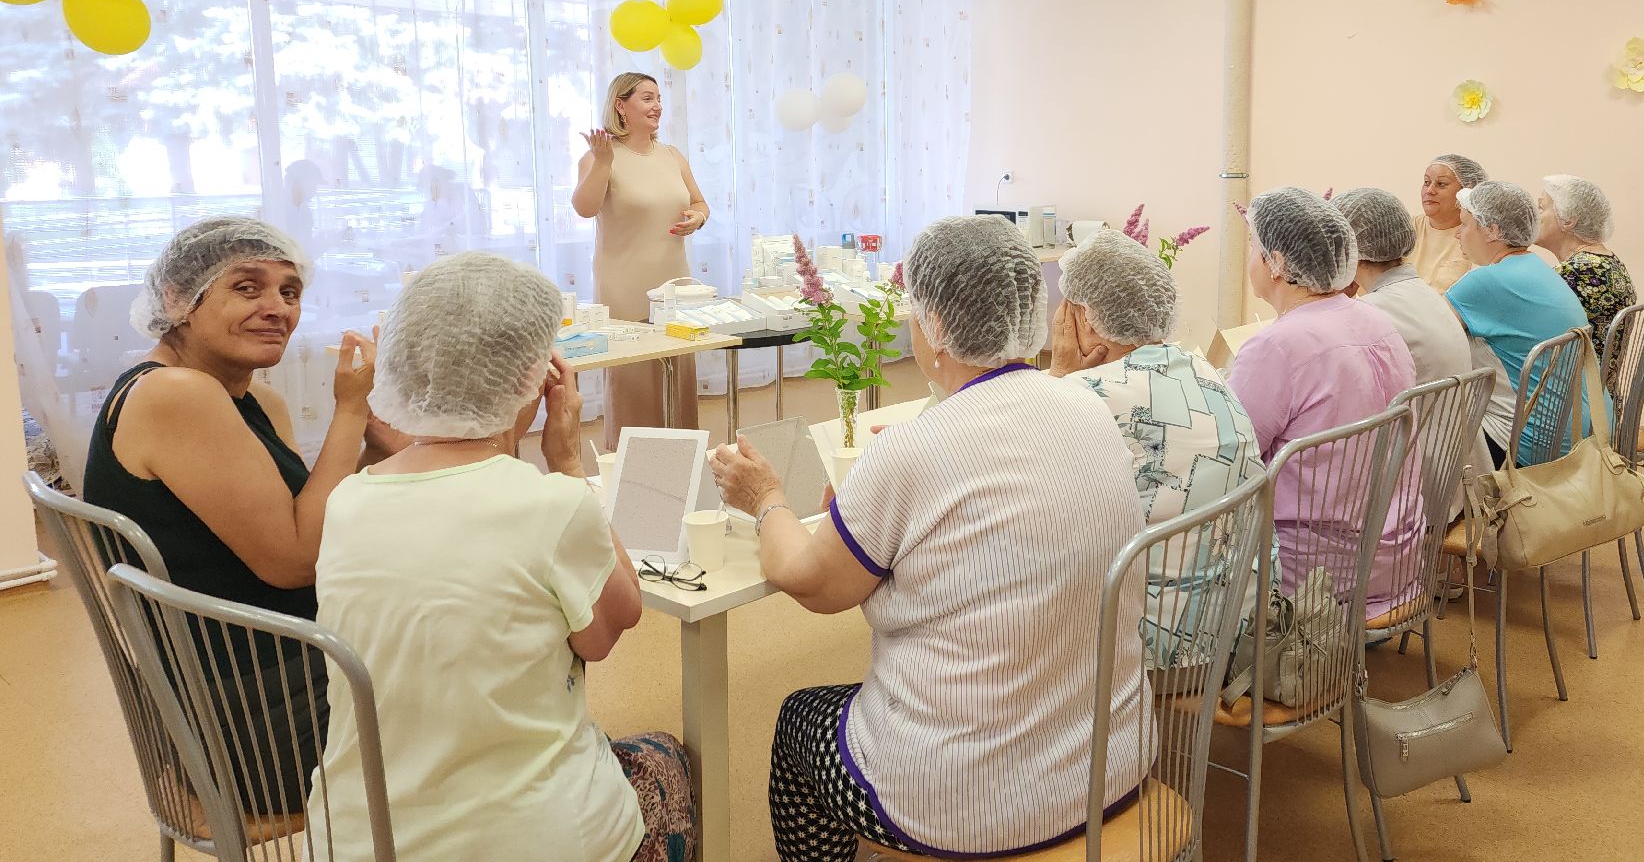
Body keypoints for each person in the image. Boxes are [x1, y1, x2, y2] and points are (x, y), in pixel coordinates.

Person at [710, 216, 1151, 862]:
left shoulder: (918, 452)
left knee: (797, 726)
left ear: (937, 328)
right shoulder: (1087, 406)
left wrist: (764, 498)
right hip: (1109, 766)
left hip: (967, 802)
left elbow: (807, 577)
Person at [306, 252, 694, 862]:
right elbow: (610, 628)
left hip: (355, 839)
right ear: (531, 379)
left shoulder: (347, 501)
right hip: (531, 839)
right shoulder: (551, 504)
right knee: (665, 762)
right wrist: (567, 462)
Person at [85, 216, 384, 813]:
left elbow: (311, 516)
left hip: (269, 666)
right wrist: (350, 410)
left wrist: (372, 439)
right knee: (477, 674)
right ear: (176, 299)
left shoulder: (251, 398)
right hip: (255, 717)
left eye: (290, 291)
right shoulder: (176, 394)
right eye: (247, 288)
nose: (277, 308)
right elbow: (296, 561)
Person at [1049, 229, 1262, 669]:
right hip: (1241, 625)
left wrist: (1060, 374)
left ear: (1084, 320)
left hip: (1155, 646)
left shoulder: (1084, 394)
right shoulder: (1204, 369)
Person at [1229, 189, 1418, 618]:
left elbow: (1232, 458)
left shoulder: (1277, 346)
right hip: (1396, 555)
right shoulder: (1375, 319)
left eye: (1254, 249)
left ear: (1277, 262)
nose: (1250, 262)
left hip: (1316, 576)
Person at [1333, 188, 1492, 514]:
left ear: (1348, 248)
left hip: (1413, 485)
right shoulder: (1421, 293)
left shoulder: (1373, 312)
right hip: (1452, 471)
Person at [572, 72, 711, 446]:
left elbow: (699, 202)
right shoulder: (599, 157)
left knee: (677, 378)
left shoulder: (671, 155)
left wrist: (696, 218)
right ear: (621, 105)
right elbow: (584, 209)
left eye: (658, 98)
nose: (658, 106)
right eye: (647, 98)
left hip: (674, 286)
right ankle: (631, 472)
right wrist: (602, 162)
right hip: (624, 286)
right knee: (632, 383)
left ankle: (683, 464)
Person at [1445, 182, 1597, 468]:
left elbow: (1426, 333)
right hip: (1570, 433)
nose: (1457, 233)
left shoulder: (1485, 282)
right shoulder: (1538, 268)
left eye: (1464, 225)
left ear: (1493, 230)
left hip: (1523, 444)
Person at [1535, 174, 1637, 343]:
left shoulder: (1580, 271)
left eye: (1541, 208)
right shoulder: (1604, 261)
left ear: (1568, 220)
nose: (1535, 217)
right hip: (1592, 367)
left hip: (1575, 369)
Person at [1410, 153, 1487, 292]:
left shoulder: (1478, 237)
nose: (1430, 190)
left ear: (1466, 191)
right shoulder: (1406, 229)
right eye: (1426, 182)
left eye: (1441, 184)